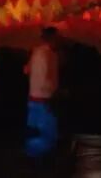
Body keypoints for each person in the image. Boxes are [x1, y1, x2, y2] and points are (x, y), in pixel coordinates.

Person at [24, 26, 60, 165]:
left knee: (35, 132)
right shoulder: (47, 54)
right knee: (45, 133)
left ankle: (33, 159)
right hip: (44, 99)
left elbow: (26, 70)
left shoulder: (38, 52)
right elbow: (47, 80)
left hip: (35, 98)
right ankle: (41, 161)